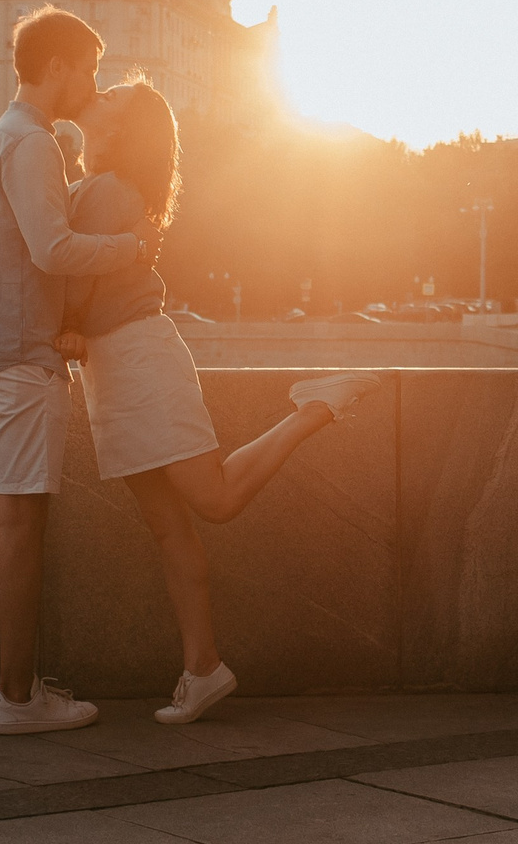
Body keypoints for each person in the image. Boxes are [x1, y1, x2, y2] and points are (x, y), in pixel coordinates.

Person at [58, 74, 375, 724]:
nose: (100, 96)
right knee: (168, 524)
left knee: (215, 497)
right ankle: (202, 667)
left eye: (112, 98)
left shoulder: (106, 191)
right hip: (118, 366)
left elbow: (71, 281)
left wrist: (56, 325)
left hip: (137, 358)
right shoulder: (107, 190)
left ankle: (317, 406)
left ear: (124, 130)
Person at [0, 6, 157, 735]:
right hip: (19, 362)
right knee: (22, 526)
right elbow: (52, 249)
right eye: (88, 68)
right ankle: (20, 698)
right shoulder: (33, 145)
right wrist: (129, 246)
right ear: (57, 66)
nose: (91, 82)